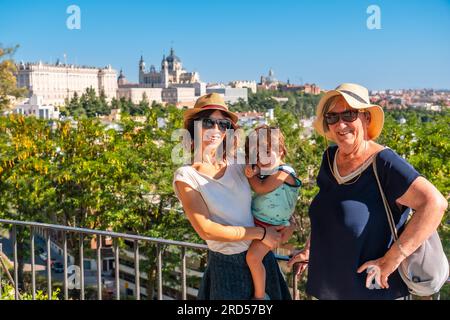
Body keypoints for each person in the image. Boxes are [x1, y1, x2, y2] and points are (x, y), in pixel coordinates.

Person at [287, 83, 448, 299]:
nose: (340, 124)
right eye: (332, 117)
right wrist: (309, 249)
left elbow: (435, 204)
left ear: (366, 118)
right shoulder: (329, 158)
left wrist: (391, 259)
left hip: (373, 292)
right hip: (326, 290)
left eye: (349, 114)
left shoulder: (384, 163)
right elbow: (327, 213)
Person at [173, 93, 293, 300]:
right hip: (227, 265)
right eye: (208, 122)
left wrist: (287, 221)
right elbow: (207, 230)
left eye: (223, 125)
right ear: (193, 129)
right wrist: (260, 234)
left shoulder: (239, 162)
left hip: (261, 259)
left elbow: (275, 190)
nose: (216, 130)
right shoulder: (187, 176)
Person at [244, 124, 302, 300]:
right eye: (258, 153)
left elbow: (261, 188)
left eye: (268, 151)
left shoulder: (285, 172)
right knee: (252, 258)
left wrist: (251, 175)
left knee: (253, 259)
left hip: (271, 226)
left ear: (282, 151)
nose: (263, 157)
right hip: (260, 222)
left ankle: (260, 297)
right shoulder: (268, 171)